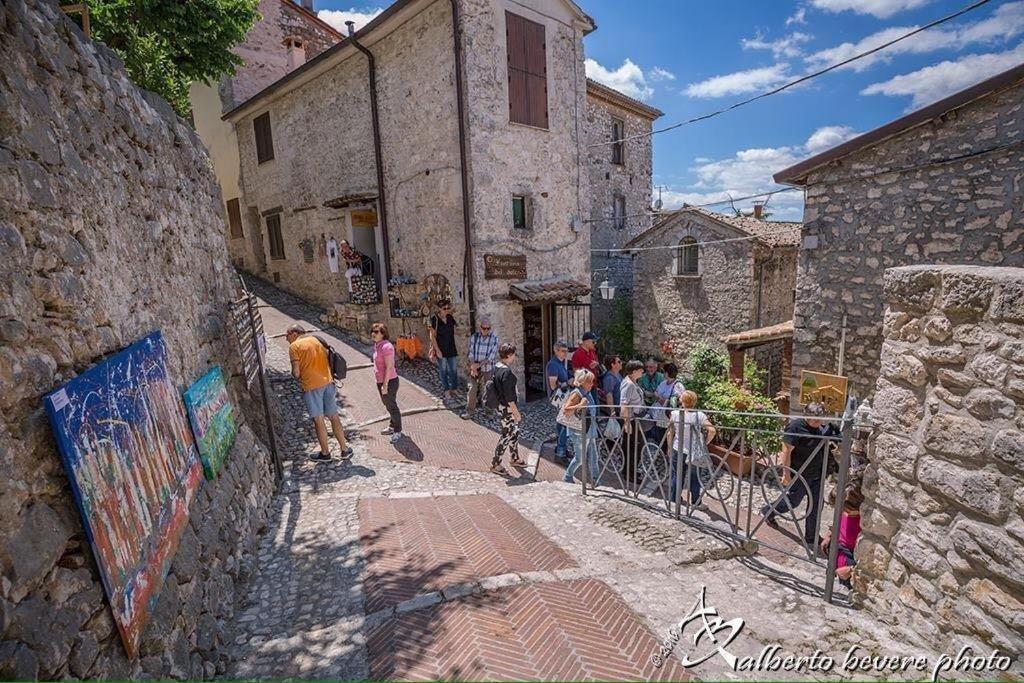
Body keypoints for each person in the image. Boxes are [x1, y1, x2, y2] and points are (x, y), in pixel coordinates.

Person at [760, 402, 838, 546]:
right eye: (813, 420)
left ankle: (811, 537)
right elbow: (786, 451)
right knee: (793, 501)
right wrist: (786, 473)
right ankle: (768, 511)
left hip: (818, 473)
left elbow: (837, 437)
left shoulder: (823, 428)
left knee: (816, 505)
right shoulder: (796, 426)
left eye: (819, 419)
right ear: (806, 416)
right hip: (800, 473)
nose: (816, 422)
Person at [286, 324, 353, 461]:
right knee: (334, 416)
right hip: (328, 382)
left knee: (318, 420)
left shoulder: (294, 347)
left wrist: (294, 373)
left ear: (293, 333)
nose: (286, 338)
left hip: (311, 386)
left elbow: (296, 373)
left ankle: (325, 453)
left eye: (286, 335)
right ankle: (344, 449)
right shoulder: (316, 339)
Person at [669, 390, 716, 508]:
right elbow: (712, 430)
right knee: (695, 477)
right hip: (694, 452)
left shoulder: (675, 413)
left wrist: (669, 447)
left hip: (677, 448)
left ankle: (674, 499)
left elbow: (670, 433)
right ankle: (696, 502)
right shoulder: (699, 415)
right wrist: (704, 444)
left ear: (681, 401)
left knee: (676, 474)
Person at [820, 472, 864, 588]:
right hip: (838, 555)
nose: (839, 510)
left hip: (848, 565)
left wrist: (851, 570)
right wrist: (829, 534)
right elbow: (838, 522)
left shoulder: (865, 523)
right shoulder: (845, 511)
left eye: (842, 508)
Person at [491, 343, 525, 475]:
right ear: (509, 355)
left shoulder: (497, 368)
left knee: (515, 432)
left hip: (501, 406)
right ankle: (496, 463)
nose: (515, 357)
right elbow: (509, 397)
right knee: (506, 435)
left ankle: (514, 457)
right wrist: (516, 412)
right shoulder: (506, 372)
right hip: (507, 408)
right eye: (514, 355)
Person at [561, 369, 599, 484]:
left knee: (594, 457)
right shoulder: (577, 393)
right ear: (582, 381)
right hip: (579, 431)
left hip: (589, 429)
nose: (591, 384)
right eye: (589, 382)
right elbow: (566, 410)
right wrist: (580, 405)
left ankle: (596, 481)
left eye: (592, 381)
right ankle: (567, 476)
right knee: (580, 459)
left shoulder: (588, 392)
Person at [371, 322, 403, 443]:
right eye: (372, 331)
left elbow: (389, 367)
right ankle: (392, 425)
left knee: (392, 406)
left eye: (376, 332)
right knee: (388, 404)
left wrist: (385, 385)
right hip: (381, 380)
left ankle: (397, 430)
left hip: (389, 381)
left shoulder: (386, 347)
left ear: (383, 334)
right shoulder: (377, 345)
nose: (373, 334)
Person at [619, 360, 648, 484]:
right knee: (635, 447)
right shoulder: (629, 384)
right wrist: (627, 423)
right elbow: (624, 404)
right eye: (641, 370)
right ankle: (630, 474)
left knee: (633, 446)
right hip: (631, 420)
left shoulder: (633, 382)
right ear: (634, 371)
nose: (642, 372)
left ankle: (629, 471)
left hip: (634, 419)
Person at [463, 316, 498, 419]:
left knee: (489, 390)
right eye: (484, 328)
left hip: (487, 368)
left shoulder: (494, 338)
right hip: (475, 366)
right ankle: (470, 411)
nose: (486, 330)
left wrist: (477, 365)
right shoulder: (475, 337)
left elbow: (490, 357)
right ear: (480, 327)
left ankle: (489, 412)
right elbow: (471, 352)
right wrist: (473, 366)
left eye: (488, 328)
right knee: (472, 388)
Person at [546, 340, 572, 460]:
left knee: (561, 425)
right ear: (556, 350)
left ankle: (561, 449)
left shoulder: (560, 363)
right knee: (563, 425)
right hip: (558, 398)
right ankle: (560, 452)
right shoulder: (553, 364)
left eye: (566, 351)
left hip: (563, 397)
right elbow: (553, 385)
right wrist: (568, 382)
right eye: (563, 351)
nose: (565, 353)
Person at [428, 299, 459, 398]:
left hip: (451, 347)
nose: (446, 310)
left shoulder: (450, 318)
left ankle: (454, 389)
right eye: (444, 308)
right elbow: (432, 336)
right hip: (440, 349)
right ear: (439, 309)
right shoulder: (434, 320)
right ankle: (446, 390)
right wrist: (437, 350)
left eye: (448, 308)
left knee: (453, 370)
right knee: (443, 370)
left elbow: (454, 331)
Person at [650, 363, 686, 445]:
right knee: (660, 435)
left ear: (666, 373)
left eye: (664, 372)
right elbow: (655, 393)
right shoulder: (664, 383)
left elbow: (679, 401)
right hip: (659, 415)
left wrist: (661, 399)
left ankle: (667, 453)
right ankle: (661, 451)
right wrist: (662, 399)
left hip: (668, 416)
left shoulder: (678, 386)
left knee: (668, 435)